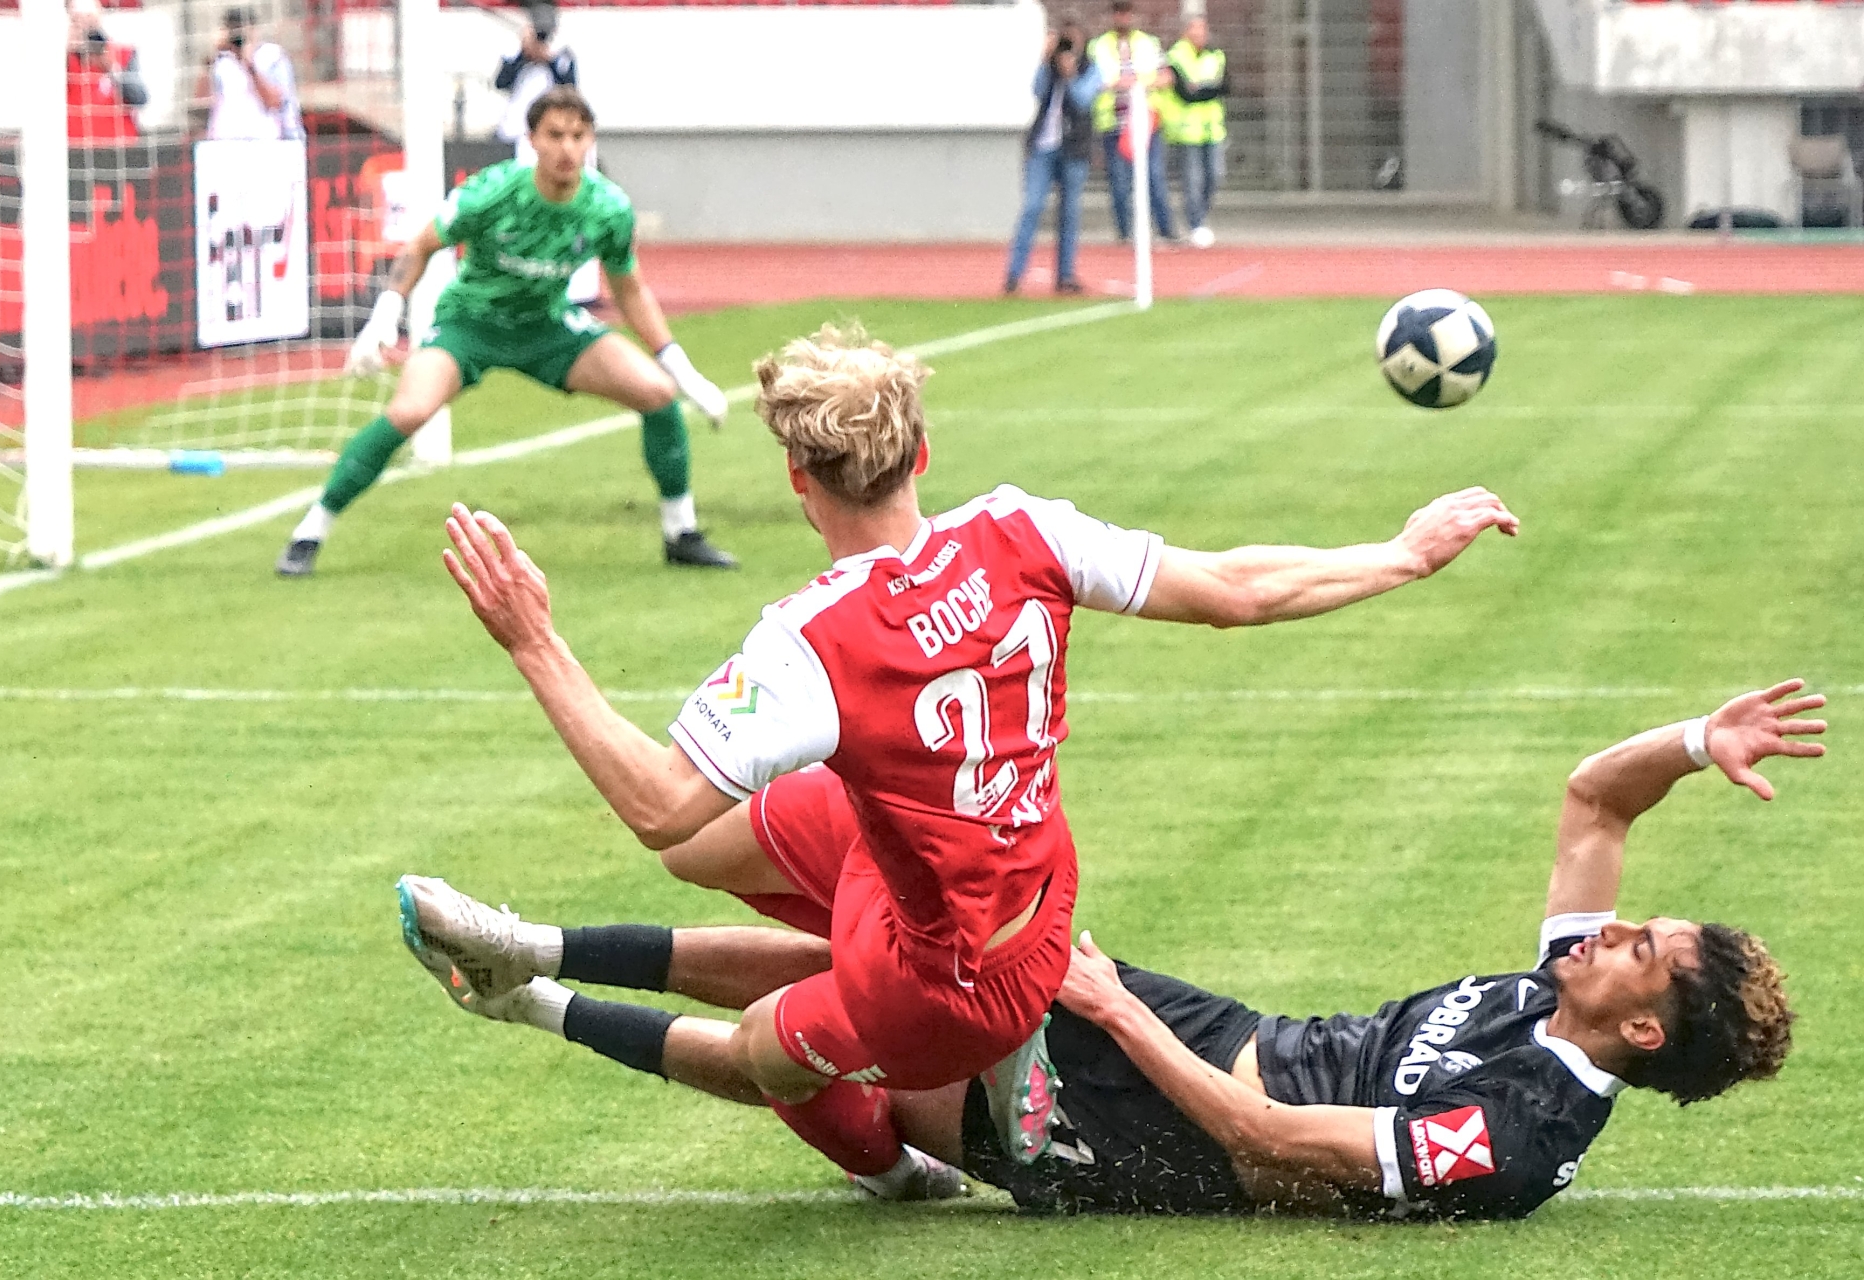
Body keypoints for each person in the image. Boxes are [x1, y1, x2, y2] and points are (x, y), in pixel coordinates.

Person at [425, 321, 1520, 1197]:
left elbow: (657, 802)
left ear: (800, 480)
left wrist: (535, 639)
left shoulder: (815, 638)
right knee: (712, 853)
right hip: (1023, 893)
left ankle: (884, 1160)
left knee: (764, 1047)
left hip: (945, 985)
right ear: (924, 455)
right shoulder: (1019, 530)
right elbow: (1234, 589)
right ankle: (535, 943)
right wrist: (1400, 554)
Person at [399, 679, 1814, 1219]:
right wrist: (1698, 744)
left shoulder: (1522, 1135)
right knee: (897, 961)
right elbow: (1594, 798)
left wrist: (1111, 1011)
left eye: (1648, 948)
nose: (1619, 927)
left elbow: (1274, 1146)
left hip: (1154, 1132)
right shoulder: (1558, 993)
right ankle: (534, 945)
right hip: (1204, 1027)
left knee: (859, 1052)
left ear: (1646, 1029)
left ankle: (531, 1004)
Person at [275, 87, 736, 577]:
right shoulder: (494, 190)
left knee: (657, 394)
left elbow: (630, 290)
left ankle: (681, 533)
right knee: (410, 410)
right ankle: (311, 529)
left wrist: (682, 371)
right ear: (532, 139)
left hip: (547, 326)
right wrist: (385, 313)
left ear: (591, 141)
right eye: (555, 135)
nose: (567, 148)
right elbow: (422, 244)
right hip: (470, 323)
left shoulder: (609, 207)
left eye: (578, 136)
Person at [1004, 24, 1098, 296]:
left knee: (1069, 213)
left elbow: (1083, 100)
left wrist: (1070, 76)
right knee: (1032, 207)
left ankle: (1065, 275)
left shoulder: (1091, 68)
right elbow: (1036, 90)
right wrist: (1045, 60)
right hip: (1044, 147)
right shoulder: (1049, 68)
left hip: (1074, 149)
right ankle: (1014, 273)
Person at [1086, 0, 1174, 244]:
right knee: (1119, 182)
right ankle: (1125, 233)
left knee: (1154, 177)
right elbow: (1091, 80)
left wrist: (1140, 84)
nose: (1123, 18)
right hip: (1113, 122)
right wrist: (1114, 84)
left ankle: (1166, 230)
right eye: (1118, 13)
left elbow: (1166, 77)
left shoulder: (1149, 43)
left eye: (1126, 13)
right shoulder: (1097, 46)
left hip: (1145, 121)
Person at [1163, 15, 1227, 245]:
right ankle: (1196, 223)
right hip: (1187, 130)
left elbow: (1225, 86)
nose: (1200, 34)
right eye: (1195, 29)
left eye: (1203, 29)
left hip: (1212, 129)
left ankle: (1201, 216)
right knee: (1192, 180)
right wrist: (1206, 88)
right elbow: (1185, 93)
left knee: (1214, 176)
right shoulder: (1176, 56)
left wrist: (1201, 88)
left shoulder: (1216, 55)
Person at [495, 5, 579, 166]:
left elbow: (570, 87)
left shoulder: (562, 55)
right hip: (516, 129)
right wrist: (523, 54)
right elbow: (501, 83)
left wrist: (549, 60)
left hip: (549, 124)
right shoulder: (516, 55)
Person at [205, 7, 302, 143]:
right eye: (232, 28)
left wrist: (249, 64)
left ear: (254, 30)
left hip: (265, 139)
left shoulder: (272, 56)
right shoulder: (222, 60)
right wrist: (209, 57)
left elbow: (275, 102)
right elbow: (202, 103)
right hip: (227, 140)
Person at [66, 0, 147, 147]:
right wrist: (65, 52)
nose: (85, 25)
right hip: (75, 147)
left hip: (119, 146)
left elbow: (140, 98)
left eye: (89, 17)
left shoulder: (123, 53)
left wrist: (112, 69)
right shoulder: (62, 59)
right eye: (77, 19)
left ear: (99, 15)